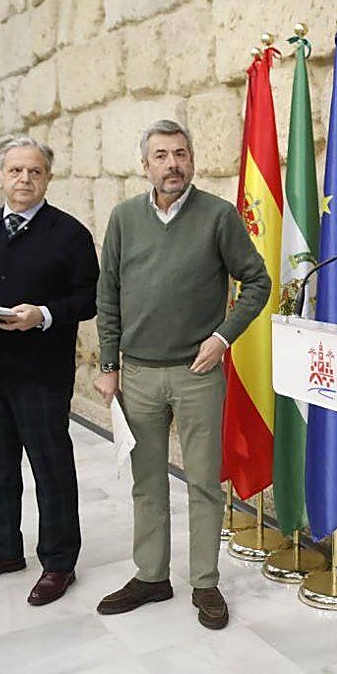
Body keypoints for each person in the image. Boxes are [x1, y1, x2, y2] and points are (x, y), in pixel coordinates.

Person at [93, 120, 270, 630]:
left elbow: (257, 281)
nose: (172, 164)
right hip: (139, 377)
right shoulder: (124, 218)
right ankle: (151, 576)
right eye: (161, 156)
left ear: (192, 159)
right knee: (146, 483)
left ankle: (205, 583)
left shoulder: (218, 216)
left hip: (198, 374)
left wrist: (223, 337)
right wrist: (109, 364)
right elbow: (108, 294)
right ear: (145, 165)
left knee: (203, 483)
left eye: (180, 154)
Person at [0, 135, 99, 606]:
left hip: (43, 374)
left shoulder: (70, 234)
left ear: (47, 178)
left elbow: (87, 299)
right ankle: (4, 549)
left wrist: (42, 315)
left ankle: (58, 562)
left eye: (34, 171)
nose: (24, 179)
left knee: (51, 470)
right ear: (0, 177)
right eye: (15, 170)